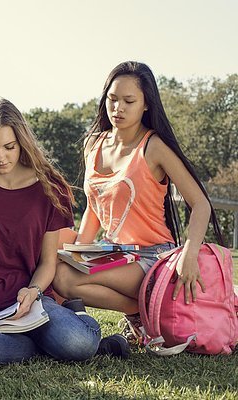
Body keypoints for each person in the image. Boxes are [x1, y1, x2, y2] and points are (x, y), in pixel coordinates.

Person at [0, 98, 128, 364]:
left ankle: (70, 321)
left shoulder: (49, 189)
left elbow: (48, 262)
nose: (1, 158)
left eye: (9, 147)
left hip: (31, 299)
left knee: (79, 344)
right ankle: (42, 345)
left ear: (21, 143)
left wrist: (33, 290)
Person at [53, 61, 224, 341]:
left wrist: (189, 255)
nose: (118, 108)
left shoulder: (153, 146)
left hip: (153, 257)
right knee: (53, 245)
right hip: (114, 253)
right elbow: (95, 207)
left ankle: (139, 313)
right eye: (112, 99)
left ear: (146, 104)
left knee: (64, 278)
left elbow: (201, 204)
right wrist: (78, 252)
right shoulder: (93, 144)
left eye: (128, 101)